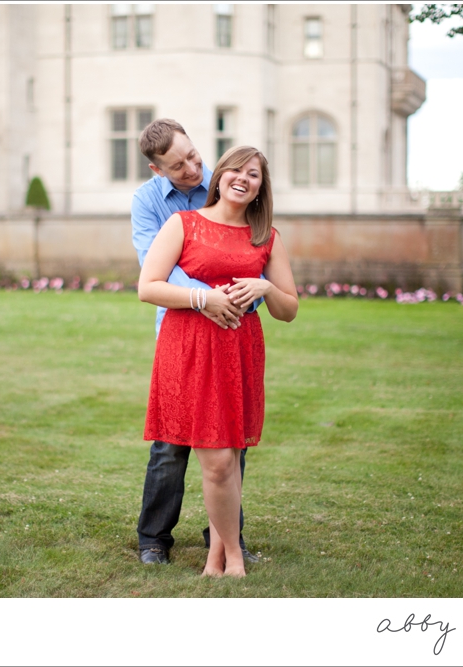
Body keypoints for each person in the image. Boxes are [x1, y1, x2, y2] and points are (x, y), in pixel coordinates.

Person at [138, 145, 298, 576]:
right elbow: (148, 286)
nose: (244, 179)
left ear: (262, 188)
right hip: (188, 347)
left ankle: (218, 556)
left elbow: (290, 309)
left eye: (255, 174)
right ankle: (232, 555)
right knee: (216, 459)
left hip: (238, 351)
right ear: (220, 174)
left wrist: (265, 289)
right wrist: (201, 296)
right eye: (237, 170)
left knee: (227, 459)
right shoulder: (183, 223)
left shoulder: (267, 237)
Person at [132, 119, 261, 566]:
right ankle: (153, 539)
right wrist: (207, 297)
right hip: (180, 327)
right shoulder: (148, 202)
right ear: (156, 169)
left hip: (230, 327)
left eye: (193, 155)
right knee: (170, 444)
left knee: (229, 443)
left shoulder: (226, 182)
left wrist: (231, 298)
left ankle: (226, 542)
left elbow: (248, 247)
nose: (192, 168)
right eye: (178, 165)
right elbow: (156, 267)